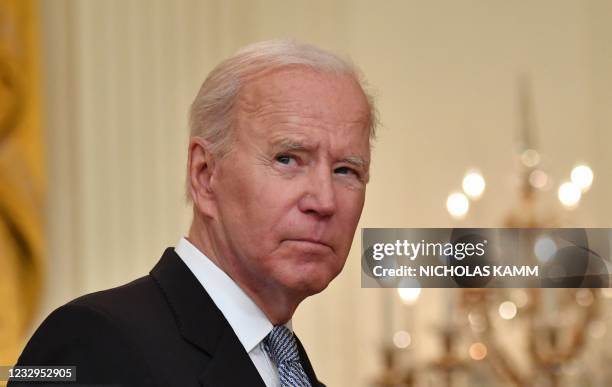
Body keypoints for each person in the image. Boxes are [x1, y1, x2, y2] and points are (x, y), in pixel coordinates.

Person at [11, 39, 377, 387]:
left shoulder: (293, 372)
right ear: (205, 175)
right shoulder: (90, 342)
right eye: (288, 159)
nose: (324, 201)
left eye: (346, 170)